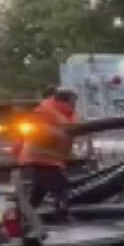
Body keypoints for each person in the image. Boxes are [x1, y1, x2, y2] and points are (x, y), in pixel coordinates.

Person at [22, 87, 79, 216]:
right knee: (61, 185)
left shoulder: (67, 113)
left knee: (40, 190)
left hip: (53, 159)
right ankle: (62, 213)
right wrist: (60, 133)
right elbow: (39, 130)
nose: (74, 105)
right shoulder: (44, 111)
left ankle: (25, 214)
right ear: (61, 102)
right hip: (41, 158)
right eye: (72, 102)